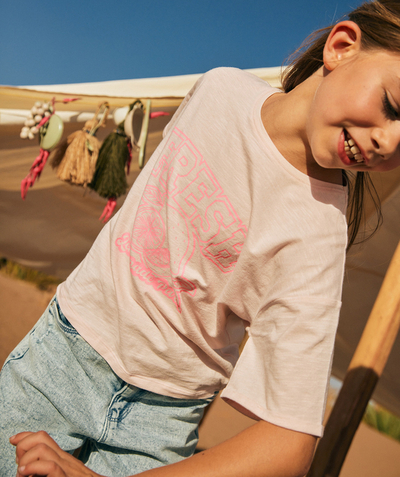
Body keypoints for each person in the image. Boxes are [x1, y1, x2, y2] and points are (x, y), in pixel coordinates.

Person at [3, 1, 400, 475]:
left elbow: (289, 443)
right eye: (393, 106)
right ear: (341, 47)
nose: (391, 143)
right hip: (61, 357)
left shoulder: (320, 236)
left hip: (160, 425)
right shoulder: (219, 89)